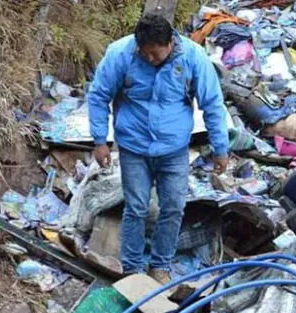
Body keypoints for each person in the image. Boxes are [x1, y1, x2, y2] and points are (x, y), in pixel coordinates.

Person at [88, 13, 229, 284]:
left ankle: (160, 265)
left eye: (156, 54)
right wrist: (99, 140)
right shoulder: (121, 54)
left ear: (170, 43)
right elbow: (98, 96)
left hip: (174, 149)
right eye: (145, 53)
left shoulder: (192, 57)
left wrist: (220, 147)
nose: (150, 59)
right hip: (133, 147)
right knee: (136, 207)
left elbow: (212, 104)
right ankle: (131, 269)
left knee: (173, 207)